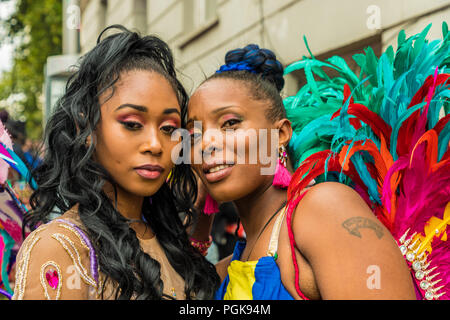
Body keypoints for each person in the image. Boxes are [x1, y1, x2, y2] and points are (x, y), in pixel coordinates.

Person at [187, 44, 417, 300]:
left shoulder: (322, 208)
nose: (205, 144)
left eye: (230, 123)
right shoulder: (232, 265)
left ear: (279, 135)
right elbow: (177, 289)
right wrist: (200, 217)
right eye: (194, 134)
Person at [12, 25, 219, 300]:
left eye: (169, 128)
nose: (155, 145)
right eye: (133, 124)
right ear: (83, 128)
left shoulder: (167, 238)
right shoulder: (61, 247)